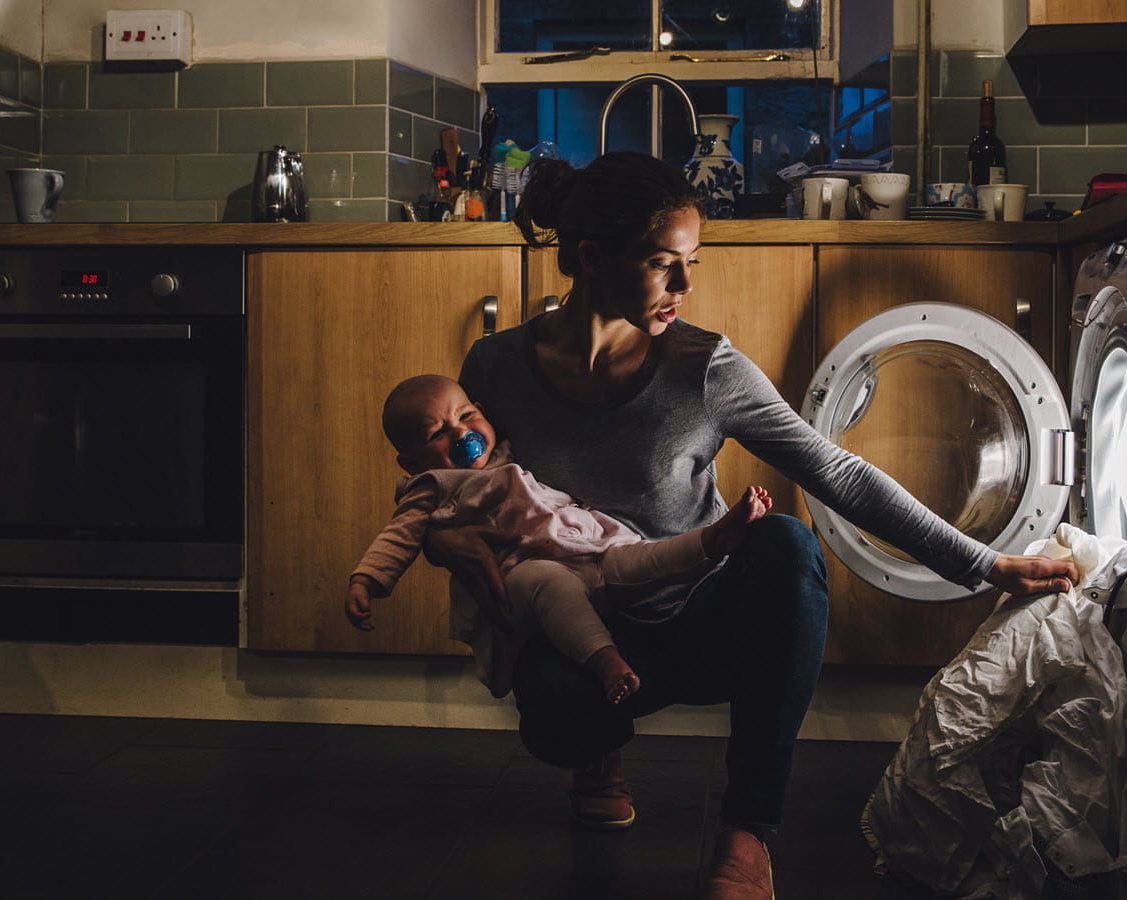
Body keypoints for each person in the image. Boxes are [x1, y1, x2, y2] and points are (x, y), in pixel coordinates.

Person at [438, 151, 1080, 899]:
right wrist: (439, 534)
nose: (685, 286)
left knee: (786, 544)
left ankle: (746, 832)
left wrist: (987, 565)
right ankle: (598, 752)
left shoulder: (704, 368)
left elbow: (836, 473)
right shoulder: (494, 367)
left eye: (691, 263)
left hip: (708, 620)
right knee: (553, 725)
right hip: (587, 635)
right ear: (590, 258)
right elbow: (452, 485)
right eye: (661, 264)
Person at [345, 373, 773, 710]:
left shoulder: (506, 451)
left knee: (639, 558)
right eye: (437, 433)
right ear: (410, 460)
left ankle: (714, 540)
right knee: (552, 586)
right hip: (521, 570)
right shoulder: (431, 485)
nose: (460, 435)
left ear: (484, 412)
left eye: (466, 416)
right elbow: (398, 536)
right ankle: (606, 662)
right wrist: (367, 581)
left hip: (583, 543)